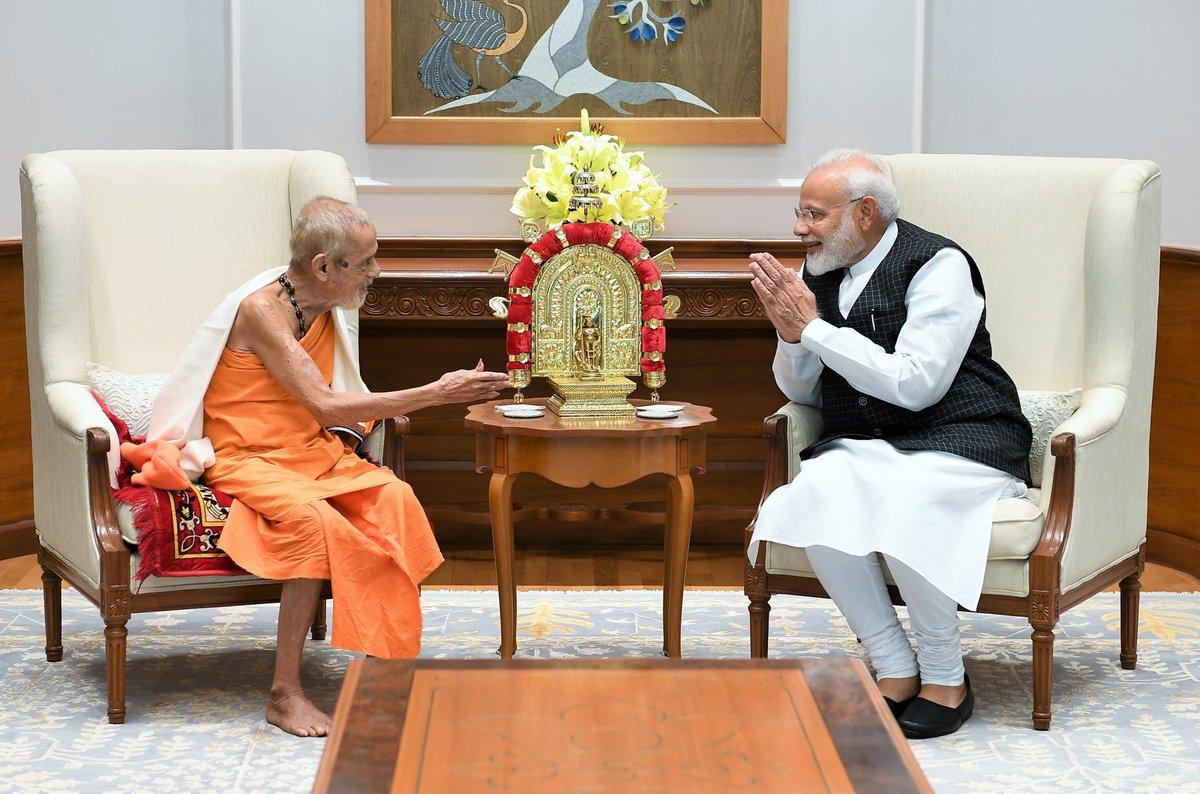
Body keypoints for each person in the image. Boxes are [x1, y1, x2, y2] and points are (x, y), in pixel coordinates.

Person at [133, 197, 509, 737]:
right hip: (249, 457)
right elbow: (327, 405)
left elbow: (324, 414)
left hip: (312, 450)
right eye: (367, 262)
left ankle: (387, 671)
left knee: (395, 499)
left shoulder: (326, 299)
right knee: (314, 522)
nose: (376, 273)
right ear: (323, 266)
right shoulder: (262, 312)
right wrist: (437, 392)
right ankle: (285, 694)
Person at [746, 149, 1032, 739]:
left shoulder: (938, 264)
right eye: (799, 213)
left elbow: (916, 385)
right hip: (870, 442)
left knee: (909, 498)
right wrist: (791, 337)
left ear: (865, 212)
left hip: (964, 435)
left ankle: (948, 677)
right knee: (813, 493)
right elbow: (804, 389)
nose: (800, 228)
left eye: (814, 214)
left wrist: (815, 329)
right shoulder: (816, 269)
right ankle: (895, 665)